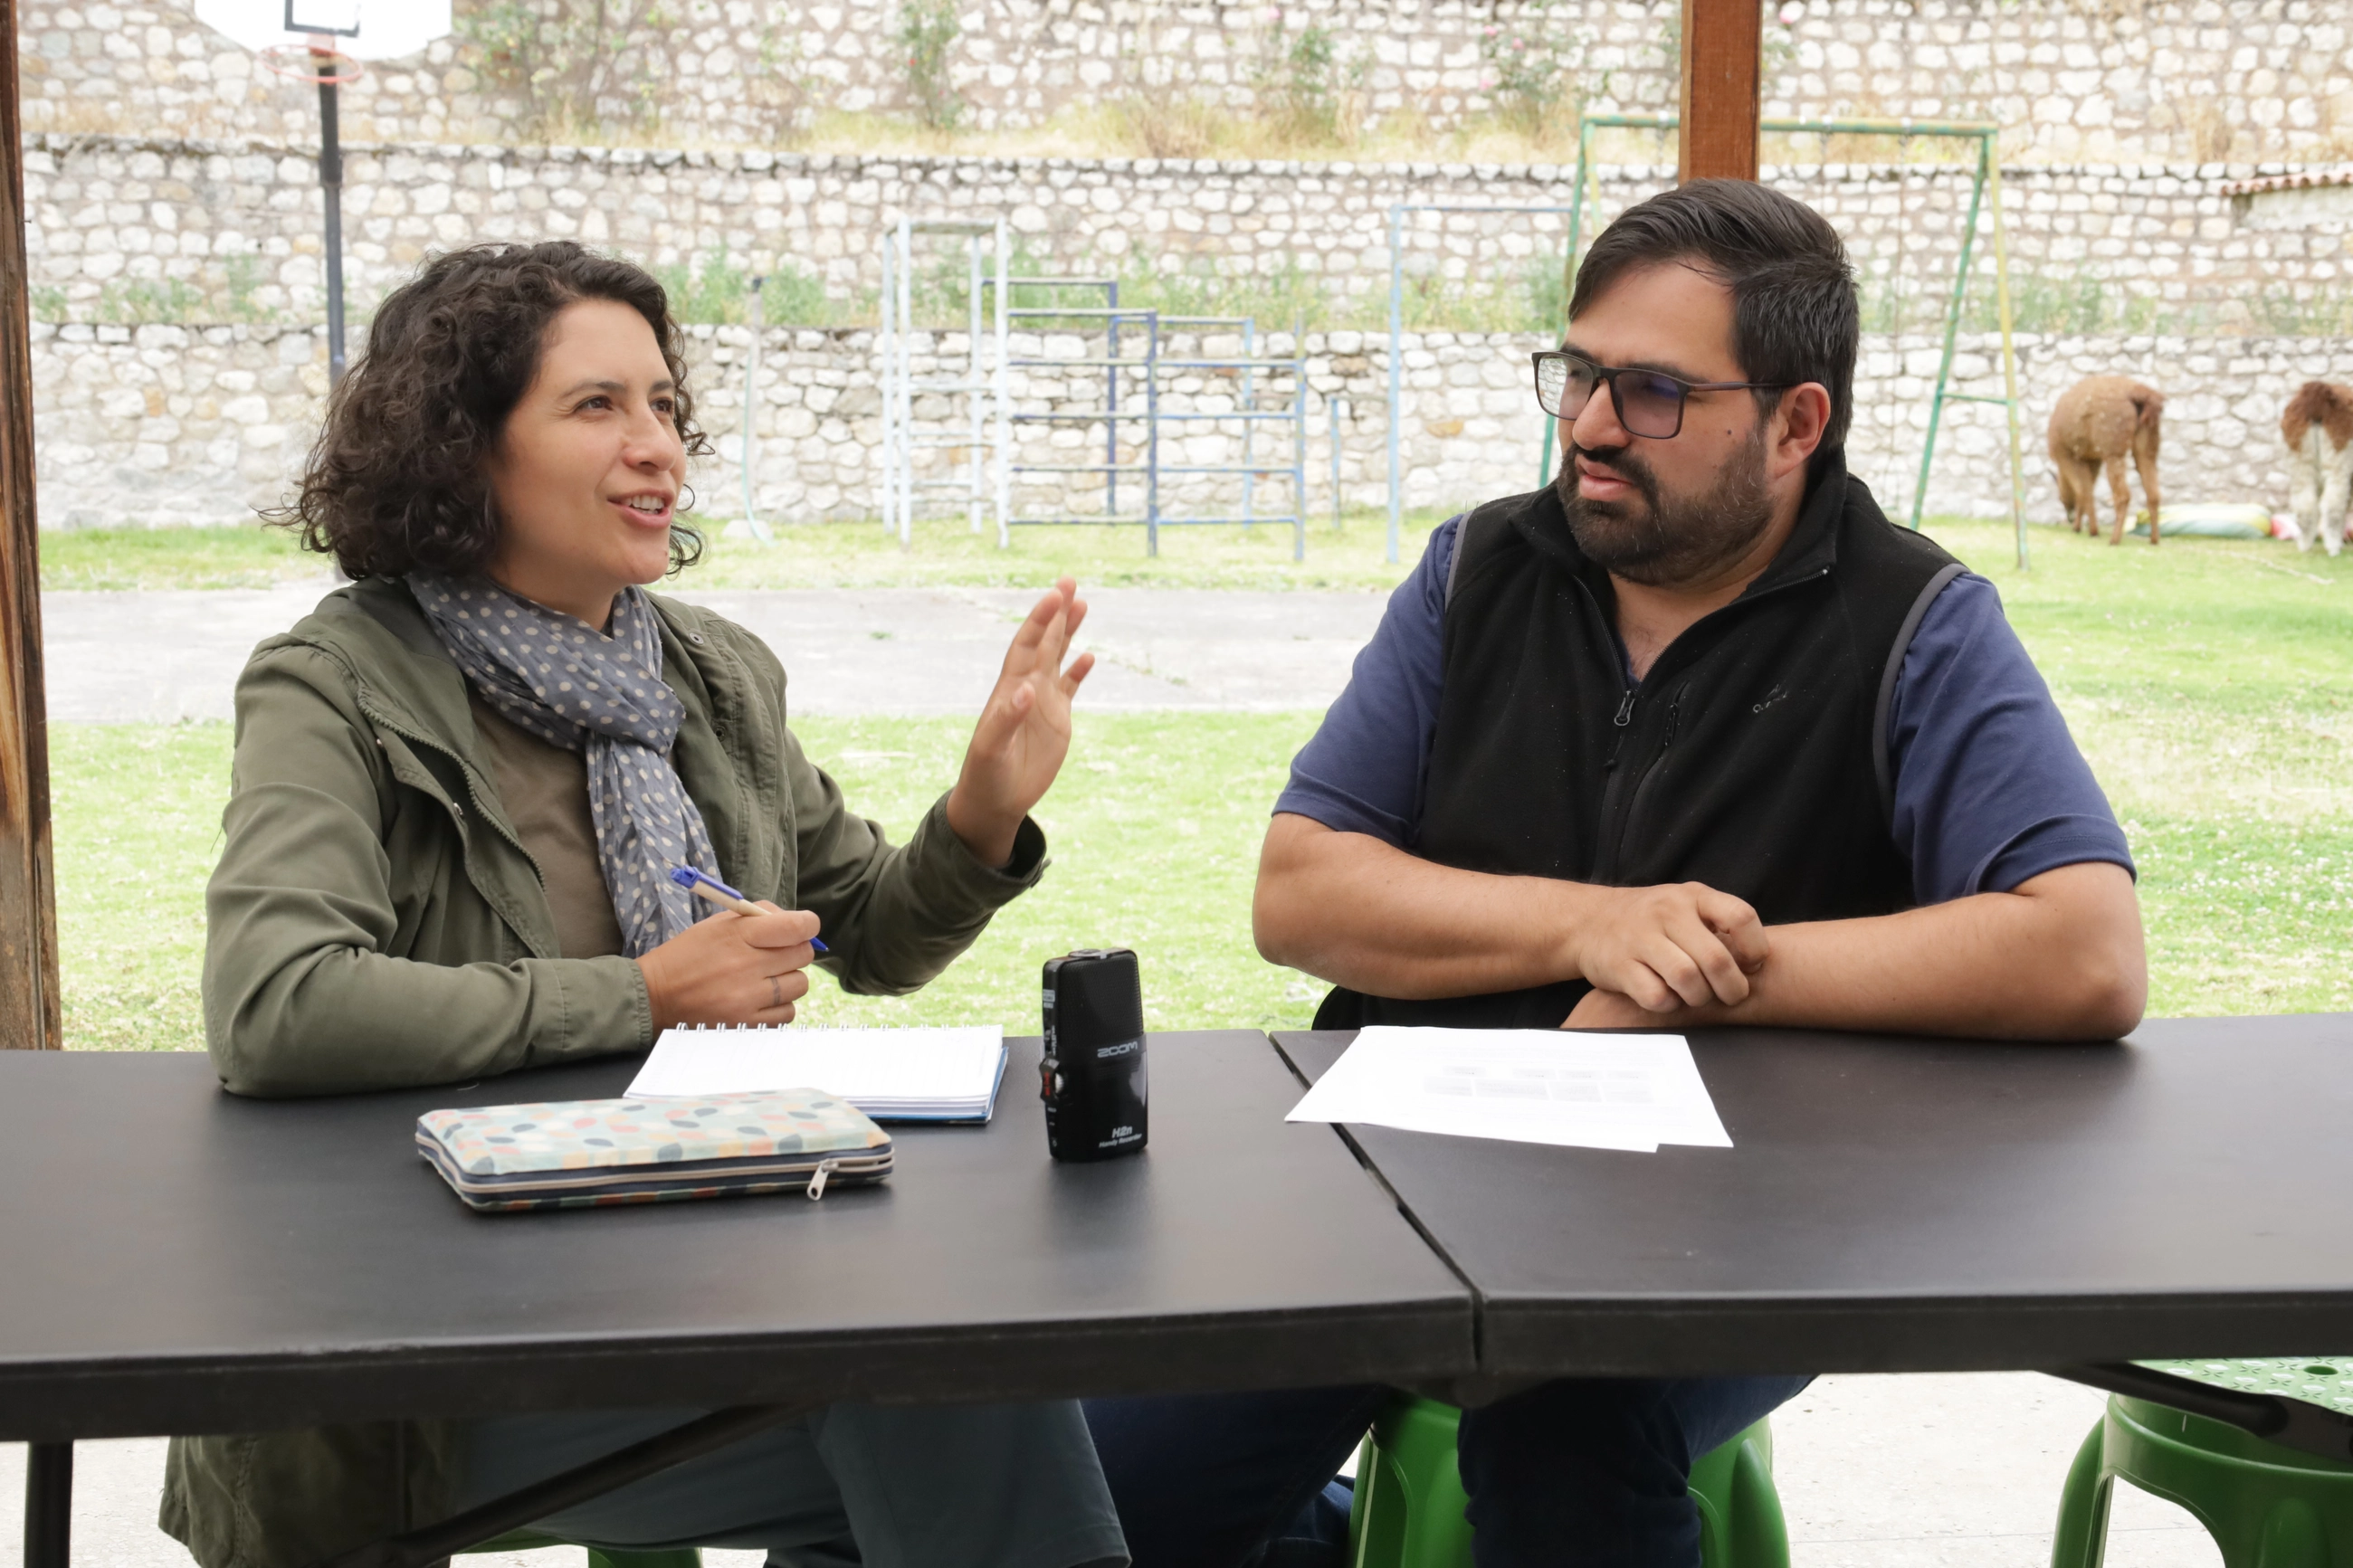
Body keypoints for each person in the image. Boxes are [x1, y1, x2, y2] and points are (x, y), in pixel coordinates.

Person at [1102, 181, 2148, 1568]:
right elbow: (1300, 893)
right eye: (1580, 374)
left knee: (1568, 1435)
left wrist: (1713, 977)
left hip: (1742, 1205)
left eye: (1653, 392)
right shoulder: (1478, 570)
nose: (1591, 424)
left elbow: (2086, 949)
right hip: (1400, 1175)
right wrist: (1597, 929)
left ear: (1796, 424)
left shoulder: (1914, 623)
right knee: (1098, 1485)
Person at [166, 241, 1125, 1568]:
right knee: (946, 1407)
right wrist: (648, 994)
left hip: (701, 1266)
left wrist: (982, 812)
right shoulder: (335, 683)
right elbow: (278, 1005)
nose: (658, 446)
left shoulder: (710, 675)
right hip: (428, 1363)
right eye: (597, 405)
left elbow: (865, 932)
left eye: (666, 405)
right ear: (462, 447)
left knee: (954, 1390)